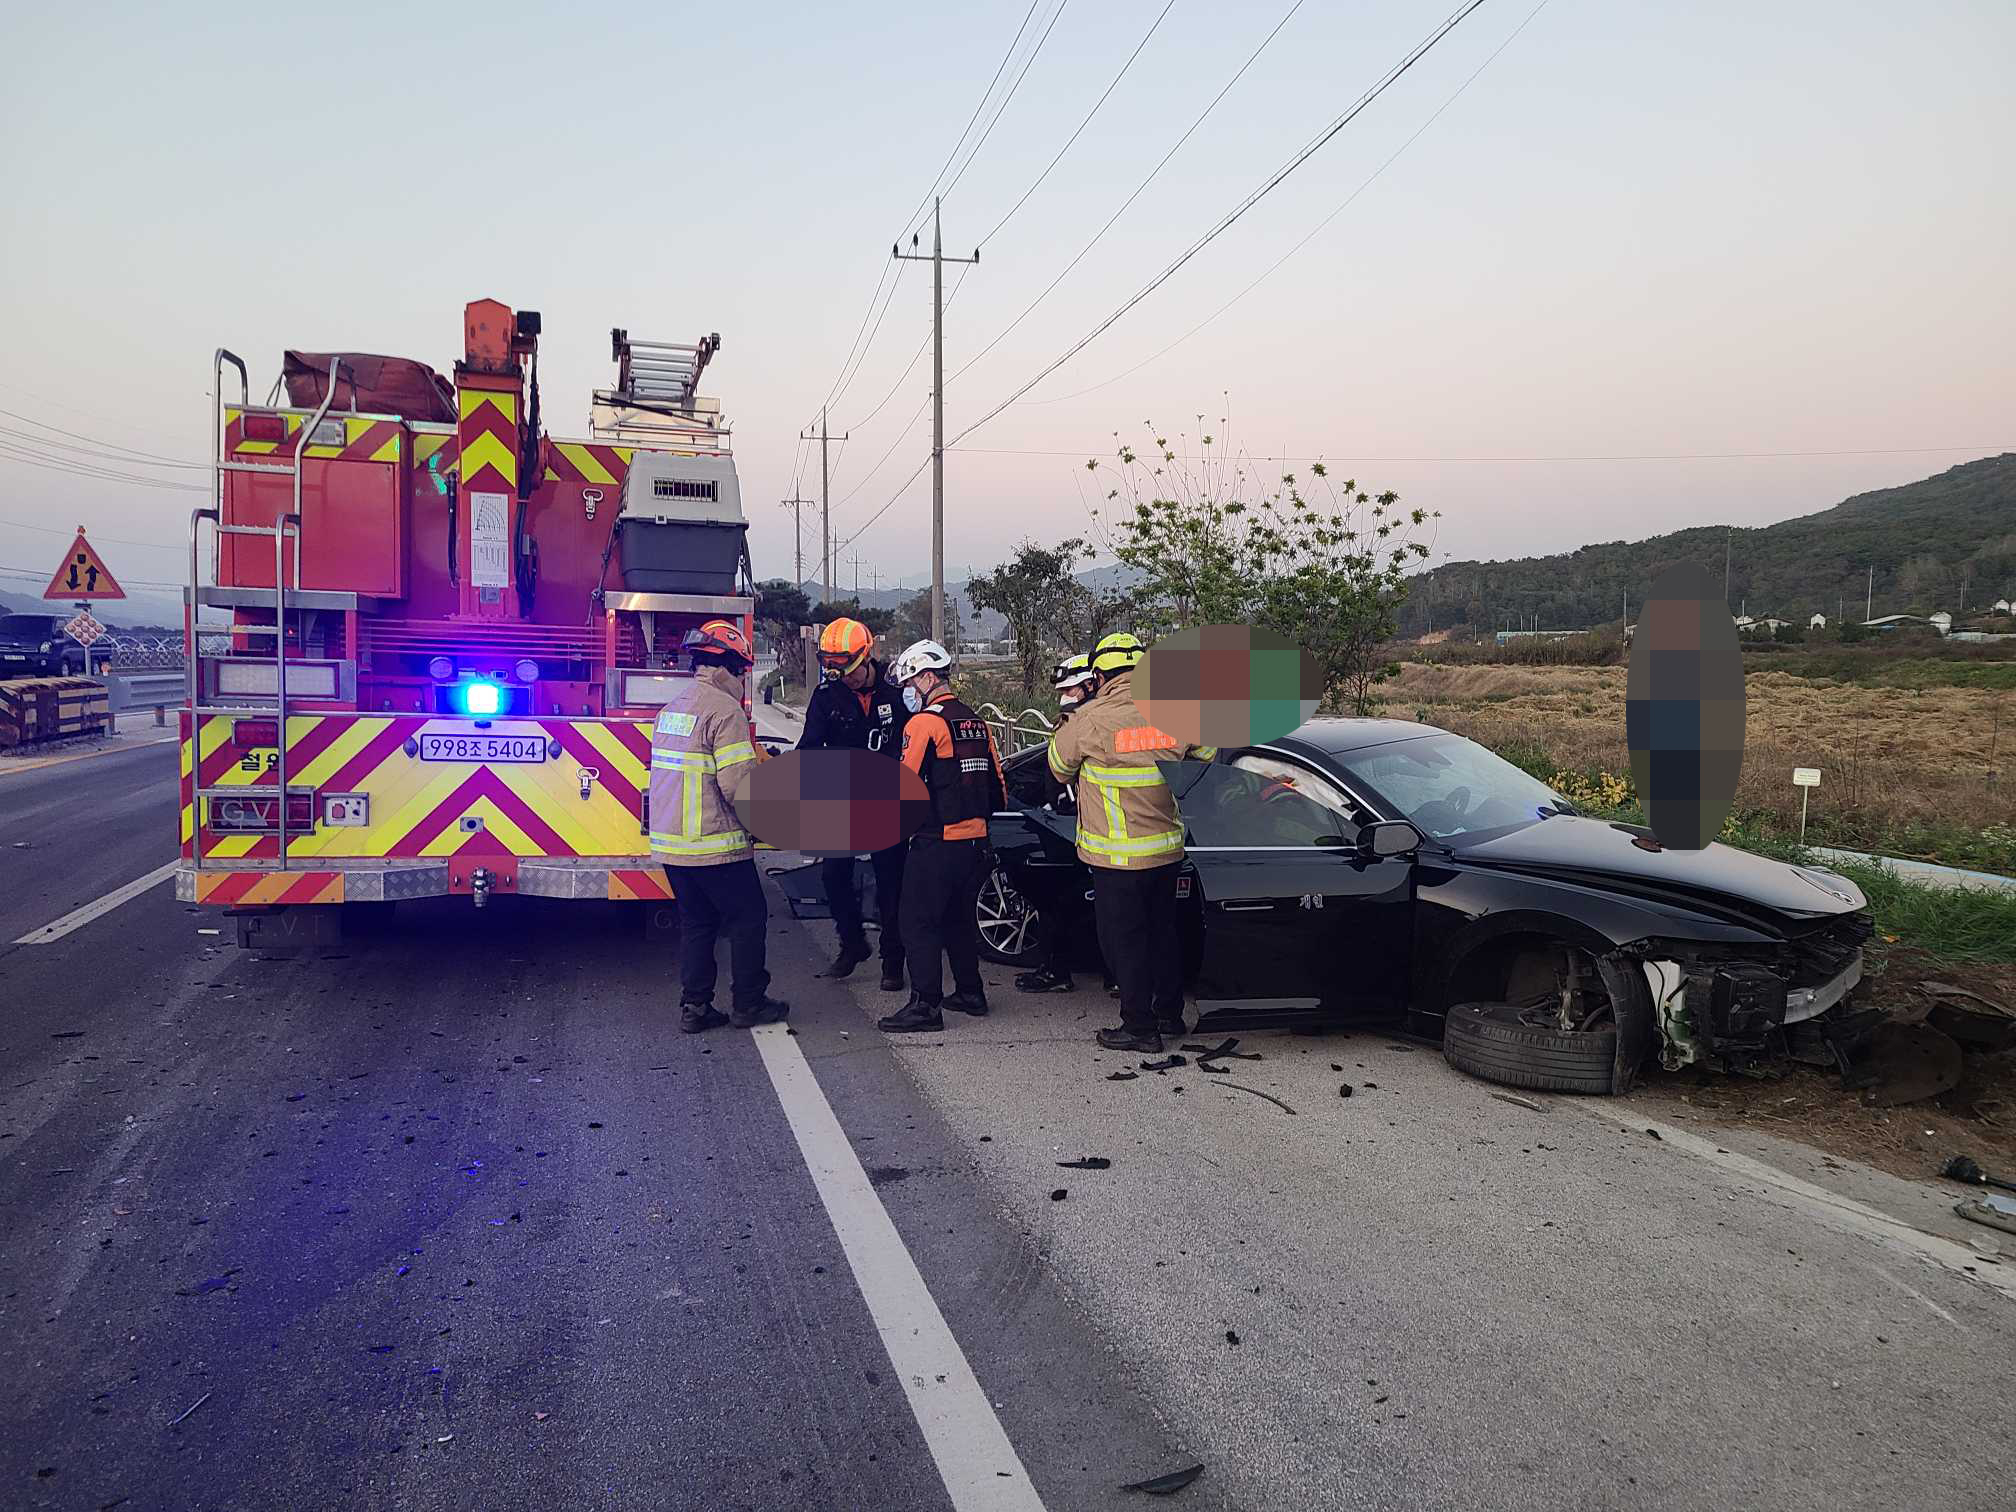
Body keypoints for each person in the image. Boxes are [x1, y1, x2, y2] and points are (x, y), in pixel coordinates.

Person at [1046, 630, 1216, 1053]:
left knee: (1125, 941)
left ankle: (1139, 1027)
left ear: (1100, 676)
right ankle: (1169, 1015)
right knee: (1163, 933)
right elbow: (1208, 755)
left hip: (1115, 857)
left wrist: (1071, 719)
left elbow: (1058, 767)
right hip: (1166, 850)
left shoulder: (1090, 719)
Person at [649, 619, 790, 1034]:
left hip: (673, 846)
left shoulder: (672, 709)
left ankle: (695, 1007)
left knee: (697, 923)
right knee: (749, 918)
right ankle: (749, 1003)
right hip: (714, 844)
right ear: (725, 667)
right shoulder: (724, 712)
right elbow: (738, 786)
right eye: (742, 670)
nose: (744, 679)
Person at [876, 639, 1008, 1035]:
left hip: (937, 841)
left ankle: (925, 1006)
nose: (908, 691)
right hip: (977, 842)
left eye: (910, 683)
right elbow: (998, 785)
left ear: (928, 677)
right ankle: (970, 992)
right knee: (958, 919)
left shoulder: (924, 724)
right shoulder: (976, 721)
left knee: (917, 922)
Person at [799, 617, 910, 990]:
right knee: (833, 876)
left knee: (891, 882)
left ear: (867, 657)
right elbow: (809, 749)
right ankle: (852, 943)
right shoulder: (826, 696)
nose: (844, 678)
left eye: (849, 670)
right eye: (835, 671)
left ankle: (893, 961)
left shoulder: (898, 692)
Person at [1015, 652, 1113, 995]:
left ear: (1091, 685)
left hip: (1093, 830)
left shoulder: (1092, 723)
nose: (1064, 697)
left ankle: (1068, 971)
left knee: (1073, 904)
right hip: (1073, 826)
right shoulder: (1079, 721)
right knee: (1066, 903)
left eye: (1070, 690)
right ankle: (1073, 969)